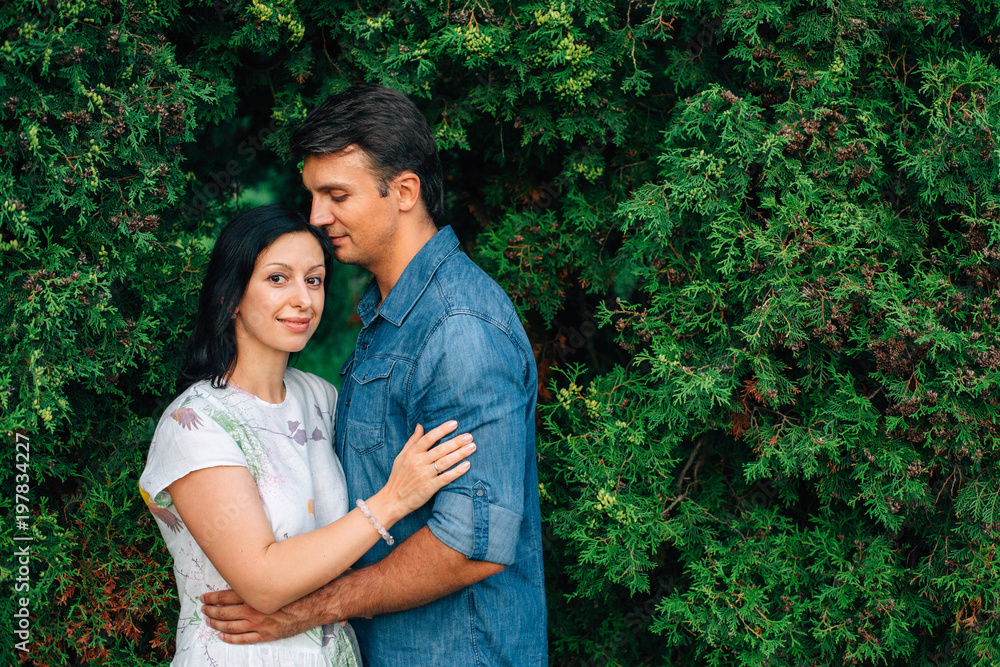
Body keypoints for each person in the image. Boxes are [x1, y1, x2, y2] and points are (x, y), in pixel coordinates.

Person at [201, 85, 548, 665]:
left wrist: (309, 609)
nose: (317, 217)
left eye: (337, 195)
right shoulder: (393, 318)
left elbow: (472, 545)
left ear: (404, 191)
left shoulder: (458, 329)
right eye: (313, 195)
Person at [139, 205, 475, 667]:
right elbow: (263, 582)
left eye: (313, 280)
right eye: (278, 278)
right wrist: (393, 500)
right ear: (230, 296)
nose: (303, 299)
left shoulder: (320, 397)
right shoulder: (195, 423)